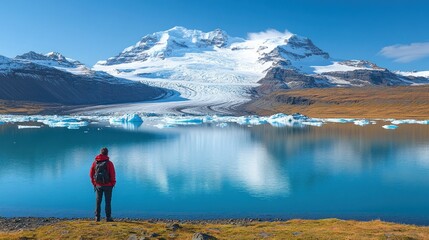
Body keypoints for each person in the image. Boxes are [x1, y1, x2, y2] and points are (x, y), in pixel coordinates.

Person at [89, 147, 116, 222]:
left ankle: (97, 217)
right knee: (108, 202)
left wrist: (94, 183)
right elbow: (113, 174)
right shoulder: (109, 163)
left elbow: (91, 174)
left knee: (98, 201)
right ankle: (108, 217)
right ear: (107, 153)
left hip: (98, 185)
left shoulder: (95, 162)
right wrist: (113, 183)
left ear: (100, 153)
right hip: (108, 185)